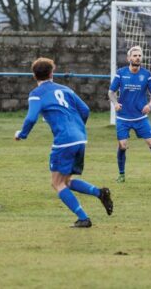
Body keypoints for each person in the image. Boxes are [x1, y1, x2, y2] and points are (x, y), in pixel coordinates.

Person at [15, 58, 113, 228]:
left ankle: (83, 218)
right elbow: (85, 110)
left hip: (64, 141)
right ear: (52, 73)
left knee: (57, 183)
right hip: (81, 138)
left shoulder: (36, 94)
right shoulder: (65, 89)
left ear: (34, 75)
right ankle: (99, 193)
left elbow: (31, 118)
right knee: (66, 181)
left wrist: (22, 134)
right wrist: (77, 128)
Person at [108, 45, 151, 184]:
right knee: (122, 145)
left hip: (141, 118)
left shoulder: (146, 74)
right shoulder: (120, 73)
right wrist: (115, 103)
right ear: (129, 58)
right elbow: (111, 92)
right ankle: (121, 175)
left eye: (139, 55)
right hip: (123, 117)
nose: (138, 57)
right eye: (135, 55)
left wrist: (150, 105)